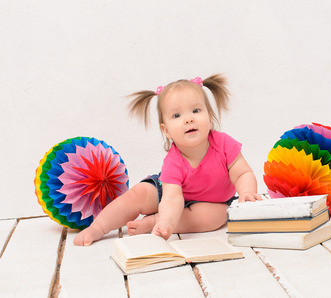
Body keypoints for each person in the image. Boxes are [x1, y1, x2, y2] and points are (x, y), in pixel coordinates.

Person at [73, 74, 262, 246]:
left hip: (214, 203)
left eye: (196, 110)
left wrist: (247, 192)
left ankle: (154, 222)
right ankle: (99, 227)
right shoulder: (173, 161)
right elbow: (172, 198)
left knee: (214, 218)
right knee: (137, 194)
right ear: (166, 130)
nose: (188, 119)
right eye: (177, 115)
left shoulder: (223, 144)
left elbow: (242, 172)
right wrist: (167, 219)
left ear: (210, 118)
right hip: (169, 193)